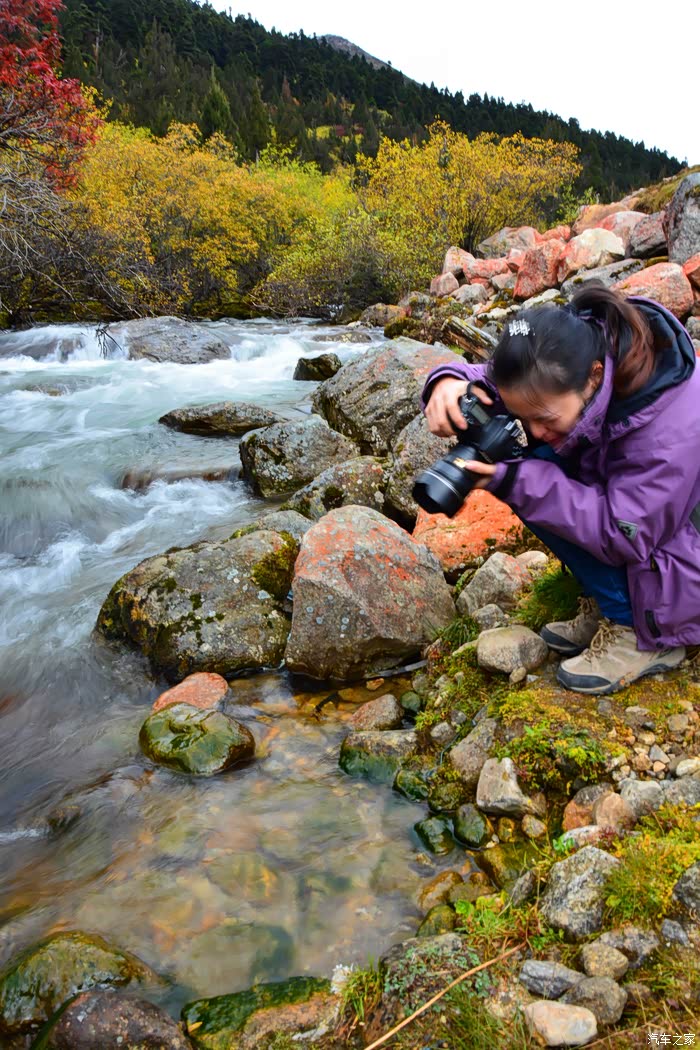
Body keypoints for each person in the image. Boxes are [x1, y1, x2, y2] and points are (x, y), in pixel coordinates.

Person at [422, 284, 700, 694]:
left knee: (525, 476)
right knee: (523, 464)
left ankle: (644, 635)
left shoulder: (667, 430)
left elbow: (622, 532)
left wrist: (515, 480)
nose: (534, 430)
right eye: (527, 418)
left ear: (594, 377)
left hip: (681, 551)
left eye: (545, 419)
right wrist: (449, 380)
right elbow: (505, 382)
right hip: (645, 524)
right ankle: (611, 601)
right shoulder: (574, 351)